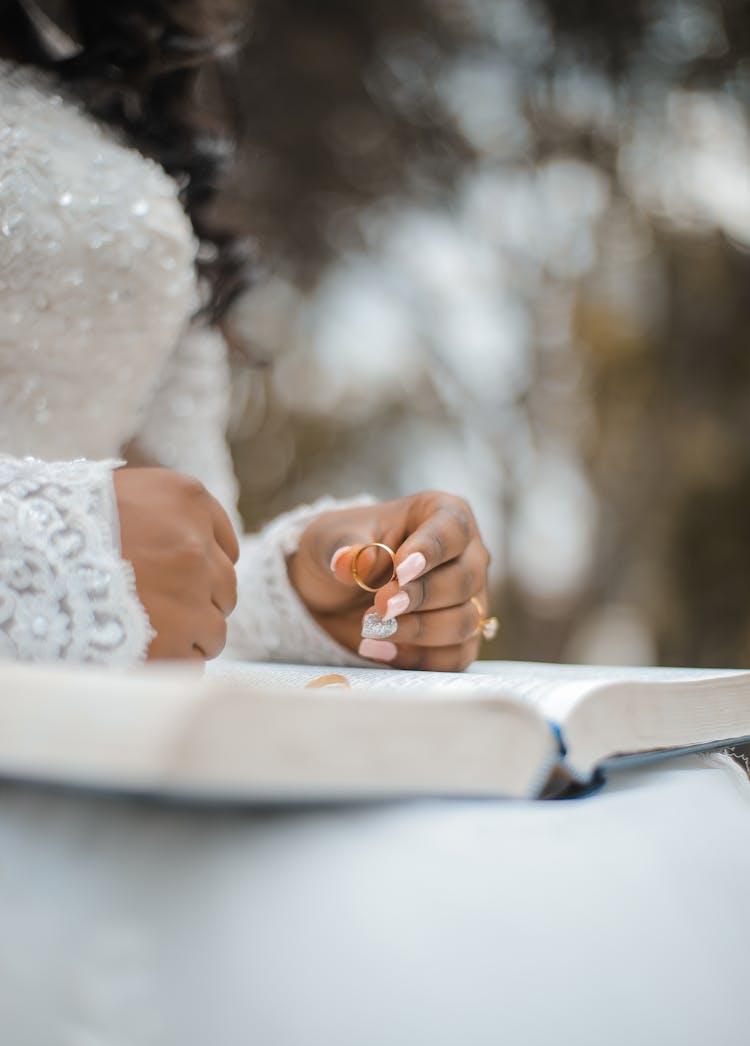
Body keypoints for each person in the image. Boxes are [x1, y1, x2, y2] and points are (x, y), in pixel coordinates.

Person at [0, 0, 492, 671]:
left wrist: (306, 588)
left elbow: (181, 550)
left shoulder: (99, 74)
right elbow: (111, 556)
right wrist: (51, 558)